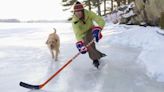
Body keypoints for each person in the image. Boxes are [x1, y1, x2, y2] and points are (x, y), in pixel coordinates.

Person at [71, 1, 106, 69]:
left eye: (79, 11)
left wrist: (99, 28)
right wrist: (80, 44)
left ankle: (95, 59)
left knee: (88, 40)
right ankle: (98, 55)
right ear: (74, 12)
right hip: (83, 34)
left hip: (92, 30)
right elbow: (77, 34)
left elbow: (100, 20)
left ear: (82, 11)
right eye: (76, 12)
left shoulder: (88, 13)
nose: (78, 13)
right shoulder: (74, 21)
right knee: (87, 43)